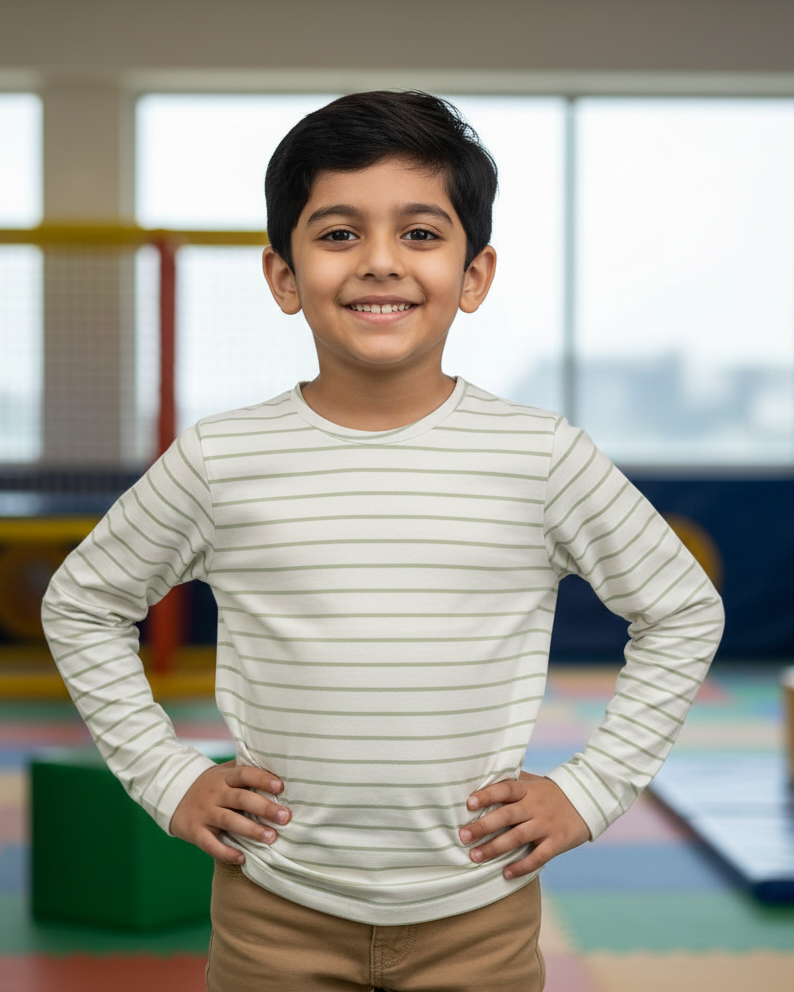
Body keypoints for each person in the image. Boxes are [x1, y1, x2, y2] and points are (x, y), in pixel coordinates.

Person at [42, 91, 724, 992]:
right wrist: (169, 778)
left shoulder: (541, 456)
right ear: (283, 277)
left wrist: (589, 789)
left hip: (478, 912)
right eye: (336, 234)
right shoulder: (221, 459)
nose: (377, 263)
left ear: (473, 275)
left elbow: (681, 609)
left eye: (419, 233)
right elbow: (82, 602)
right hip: (272, 908)